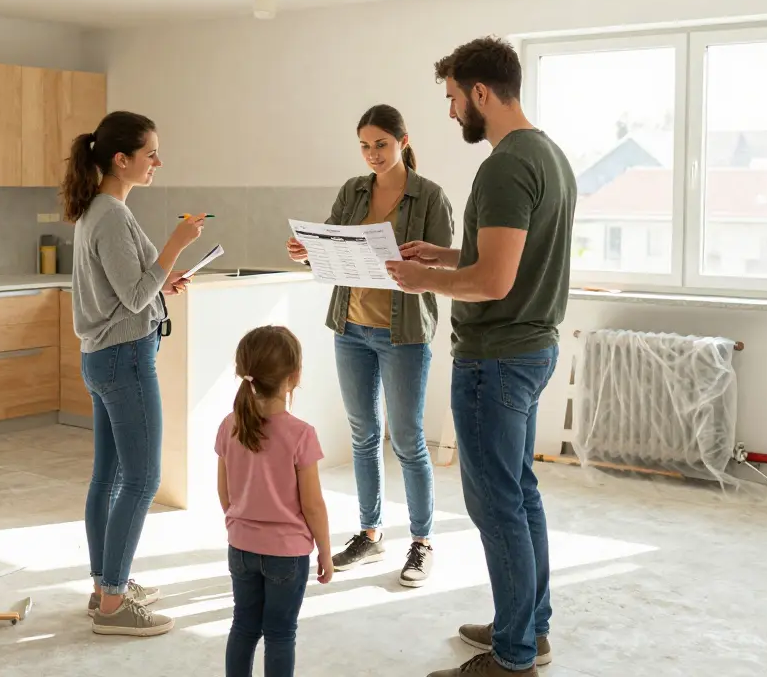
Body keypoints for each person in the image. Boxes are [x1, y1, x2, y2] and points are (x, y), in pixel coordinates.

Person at [384, 38, 577, 676]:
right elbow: (507, 261)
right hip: (531, 349)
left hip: (495, 358)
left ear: (482, 94)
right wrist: (441, 257)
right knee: (519, 494)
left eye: (453, 98)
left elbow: (494, 283)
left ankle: (513, 657)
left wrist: (420, 282)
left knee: (496, 502)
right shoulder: (548, 154)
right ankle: (529, 627)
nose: (450, 112)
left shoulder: (502, 166)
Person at [286, 105, 454, 586]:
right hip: (351, 328)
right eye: (364, 145)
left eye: (381, 143)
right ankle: (370, 533)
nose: (372, 154)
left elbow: (443, 269)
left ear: (403, 141)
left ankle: (421, 543)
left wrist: (416, 268)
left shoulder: (430, 197)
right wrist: (306, 251)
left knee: (406, 440)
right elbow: (333, 249)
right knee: (363, 435)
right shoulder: (353, 190)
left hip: (403, 334)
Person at [63, 110, 208, 637]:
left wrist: (162, 280)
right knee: (143, 478)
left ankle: (106, 586)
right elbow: (133, 294)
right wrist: (177, 244)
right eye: (150, 154)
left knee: (108, 478)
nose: (157, 162)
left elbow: (130, 289)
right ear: (121, 160)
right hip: (124, 357)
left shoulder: (96, 211)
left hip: (101, 355)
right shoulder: (111, 214)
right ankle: (114, 605)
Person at [215, 325, 332, 677]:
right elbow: (313, 504)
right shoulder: (301, 434)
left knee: (244, 626)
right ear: (293, 377)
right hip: (287, 555)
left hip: (241, 548)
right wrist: (325, 550)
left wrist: (242, 524)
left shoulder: (229, 425)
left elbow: (225, 492)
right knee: (280, 634)